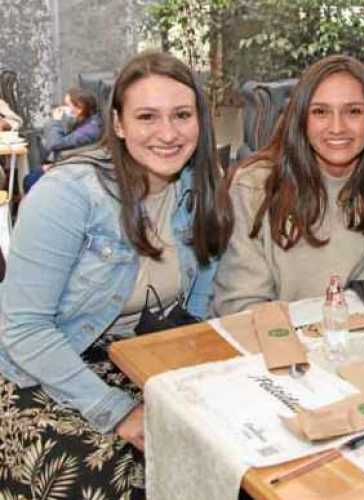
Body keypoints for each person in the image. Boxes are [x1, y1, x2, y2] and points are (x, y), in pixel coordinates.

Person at [0, 50, 233, 497]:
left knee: (226, 452)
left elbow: (198, 300)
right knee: (113, 473)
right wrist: (119, 412)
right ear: (119, 124)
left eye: (182, 115)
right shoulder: (67, 195)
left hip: (137, 361)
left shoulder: (201, 187)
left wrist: (184, 377)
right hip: (41, 372)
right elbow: (24, 329)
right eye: (147, 116)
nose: (168, 133)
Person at [213, 55, 364, 314]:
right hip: (267, 344)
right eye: (320, 112)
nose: (337, 127)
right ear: (301, 119)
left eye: (353, 111)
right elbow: (241, 305)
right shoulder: (253, 187)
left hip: (351, 343)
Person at [24, 87, 105, 191]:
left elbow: (55, 144)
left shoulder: (91, 129)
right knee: (31, 176)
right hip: (69, 161)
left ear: (80, 107)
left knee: (30, 181)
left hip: (77, 167)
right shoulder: (85, 119)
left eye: (67, 105)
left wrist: (55, 121)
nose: (63, 108)